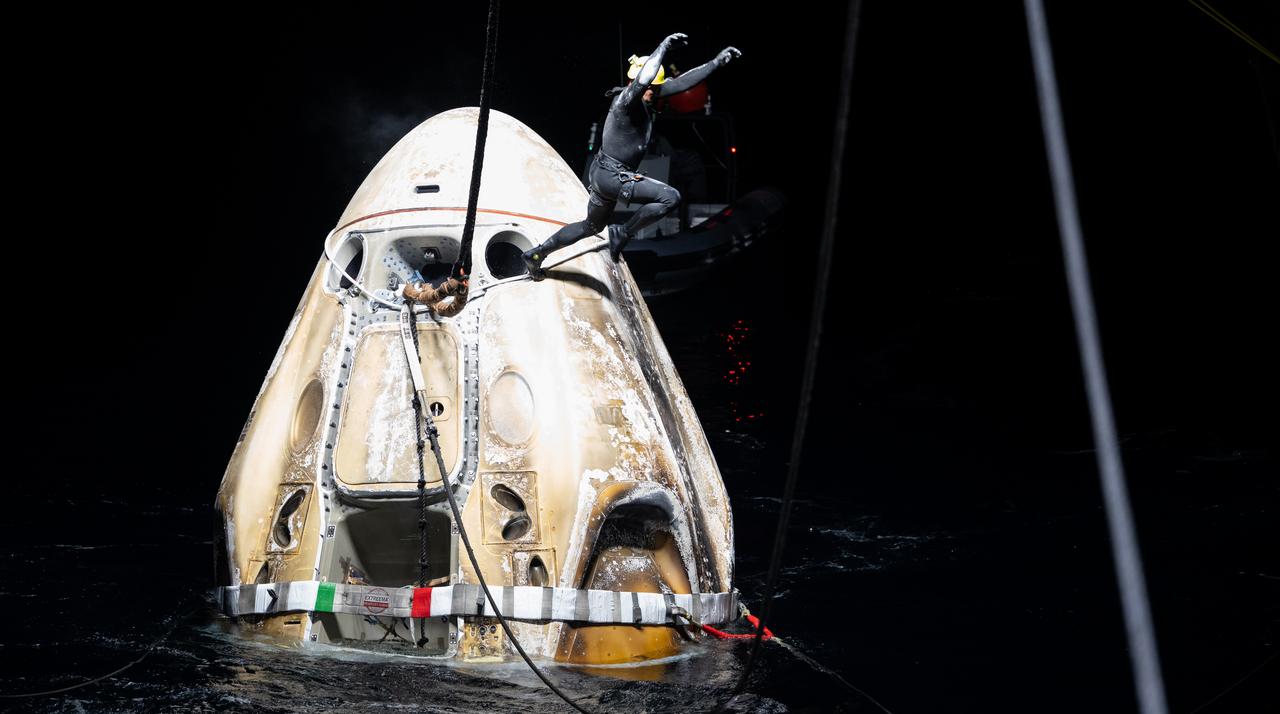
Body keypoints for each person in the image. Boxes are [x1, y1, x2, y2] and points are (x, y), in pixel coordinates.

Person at [522, 33, 741, 279]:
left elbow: (680, 84)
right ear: (635, 82)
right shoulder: (626, 101)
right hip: (613, 176)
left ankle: (537, 254)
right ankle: (623, 233)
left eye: (655, 89)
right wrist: (664, 46)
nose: (653, 92)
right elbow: (644, 80)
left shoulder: (649, 96)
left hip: (605, 174)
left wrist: (715, 63)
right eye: (648, 88)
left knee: (591, 226)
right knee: (670, 197)